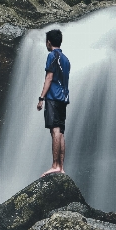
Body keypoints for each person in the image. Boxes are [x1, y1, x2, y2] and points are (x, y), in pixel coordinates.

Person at [37, 28, 70, 176]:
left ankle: (55, 165)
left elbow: (49, 78)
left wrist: (41, 98)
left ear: (48, 42)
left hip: (53, 98)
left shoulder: (52, 56)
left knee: (55, 130)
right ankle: (61, 167)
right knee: (61, 131)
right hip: (63, 98)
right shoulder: (66, 59)